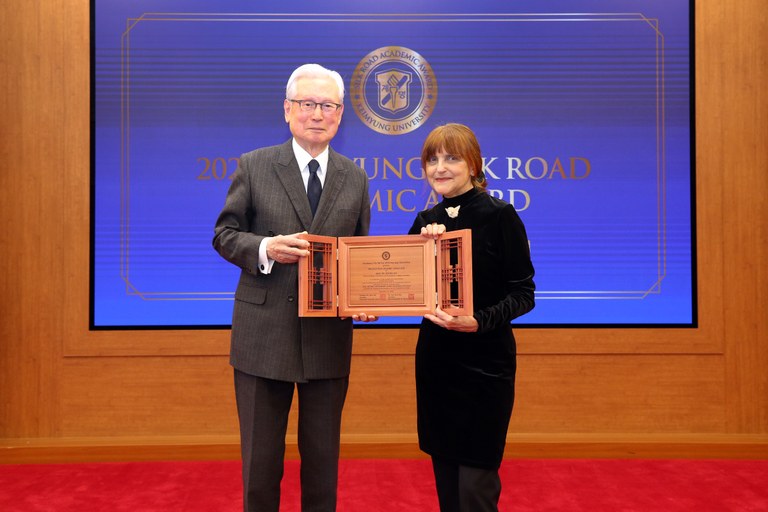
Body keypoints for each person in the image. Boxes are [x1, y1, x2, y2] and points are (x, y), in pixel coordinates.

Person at [213, 63, 375, 512]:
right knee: (261, 467)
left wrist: (364, 297)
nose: (317, 114)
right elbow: (224, 235)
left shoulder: (355, 177)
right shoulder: (255, 164)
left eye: (328, 106)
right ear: (287, 109)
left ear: (340, 114)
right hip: (262, 336)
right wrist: (266, 247)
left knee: (322, 467)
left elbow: (358, 254)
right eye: (307, 104)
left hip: (327, 337)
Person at [408, 123, 536, 512]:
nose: (440, 168)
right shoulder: (424, 222)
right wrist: (424, 250)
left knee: (475, 490)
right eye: (432, 159)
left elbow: (523, 294)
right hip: (437, 365)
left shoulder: (501, 216)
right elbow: (407, 290)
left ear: (473, 164)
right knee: (448, 487)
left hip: (486, 368)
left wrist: (479, 320)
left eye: (452, 158)